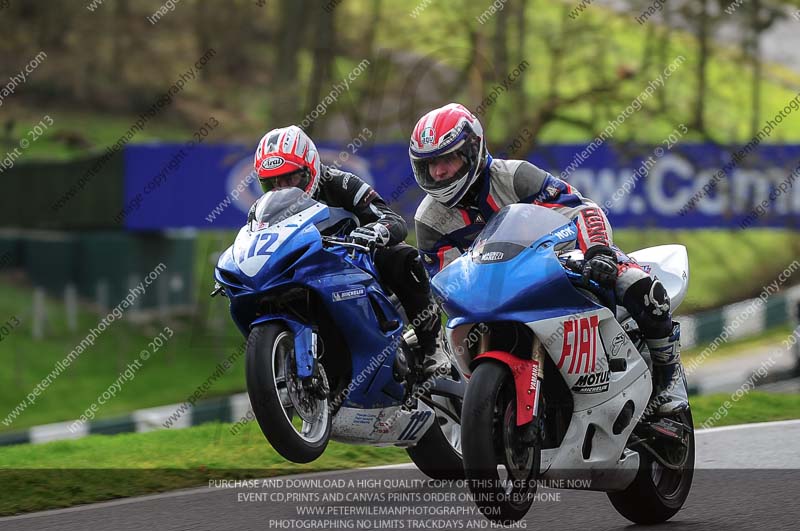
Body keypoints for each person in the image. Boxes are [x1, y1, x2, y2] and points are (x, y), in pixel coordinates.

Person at [409, 103, 687, 416]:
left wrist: (597, 250)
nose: (438, 172)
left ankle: (669, 379)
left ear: (472, 150)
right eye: (430, 164)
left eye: (447, 159)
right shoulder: (428, 219)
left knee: (637, 284)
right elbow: (445, 281)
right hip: (489, 300)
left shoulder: (514, 176)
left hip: (553, 265)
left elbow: (581, 208)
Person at [252, 125, 446, 375]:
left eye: (291, 179)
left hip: (354, 267)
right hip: (300, 275)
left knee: (403, 256)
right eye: (272, 183)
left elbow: (392, 220)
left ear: (311, 168)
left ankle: (433, 346)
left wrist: (374, 232)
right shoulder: (260, 210)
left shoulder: (340, 182)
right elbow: (253, 243)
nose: (282, 189)